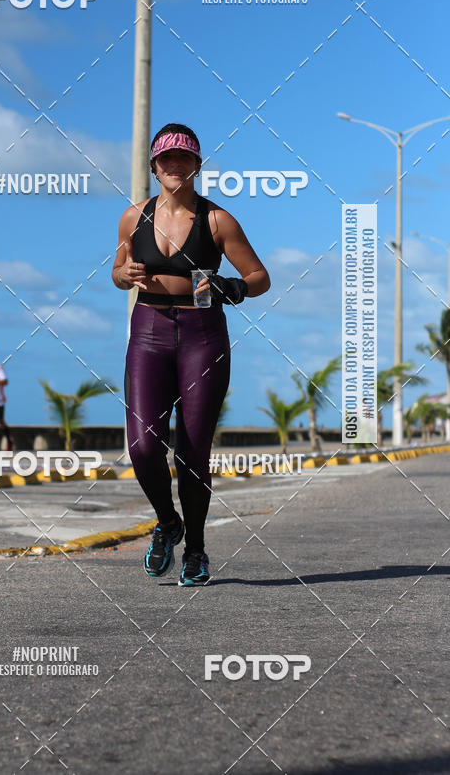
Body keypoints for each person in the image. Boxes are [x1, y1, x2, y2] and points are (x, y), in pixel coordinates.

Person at [112, 123, 270, 586]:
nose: (175, 166)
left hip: (203, 335)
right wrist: (125, 274)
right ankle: (168, 522)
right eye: (166, 159)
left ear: (197, 165)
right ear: (154, 166)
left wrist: (233, 286)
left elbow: (260, 276)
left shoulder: (218, 220)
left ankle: (196, 550)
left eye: (184, 159)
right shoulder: (132, 217)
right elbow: (117, 271)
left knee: (192, 452)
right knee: (142, 446)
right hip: (148, 330)